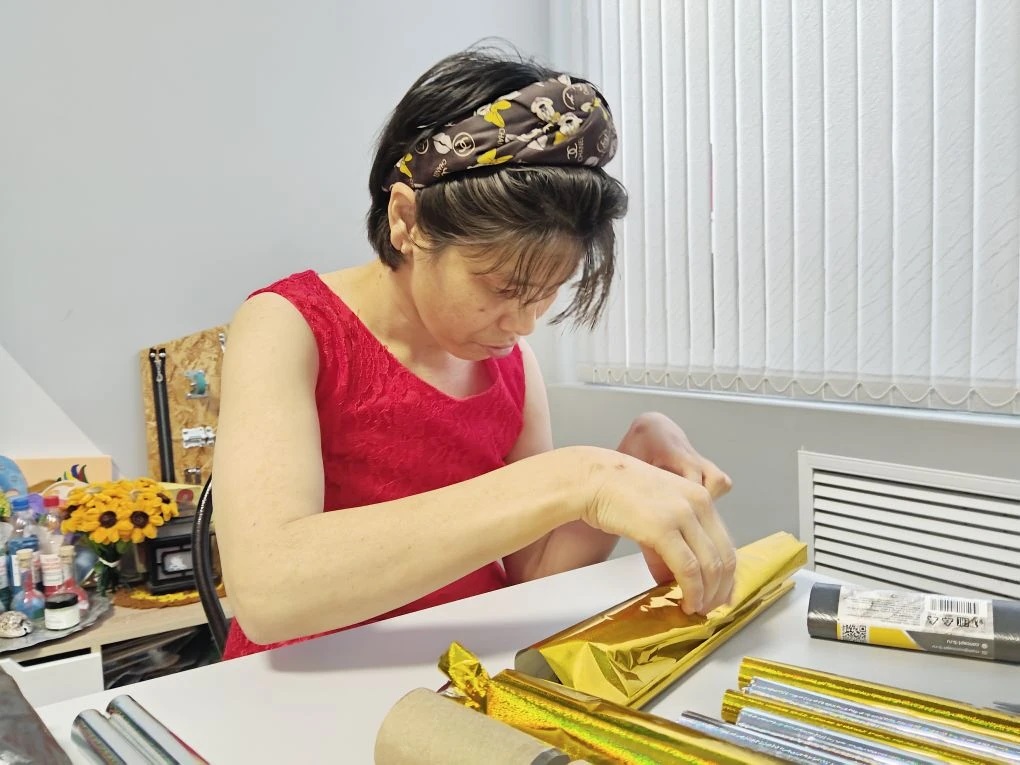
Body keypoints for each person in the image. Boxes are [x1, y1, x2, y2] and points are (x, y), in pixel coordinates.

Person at [213, 46, 736, 660]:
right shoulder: (288, 325)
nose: (523, 324)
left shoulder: (509, 365)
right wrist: (576, 477)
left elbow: (534, 572)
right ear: (407, 220)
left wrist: (631, 458)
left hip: (464, 669)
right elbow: (269, 592)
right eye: (501, 288)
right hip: (307, 678)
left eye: (546, 293)